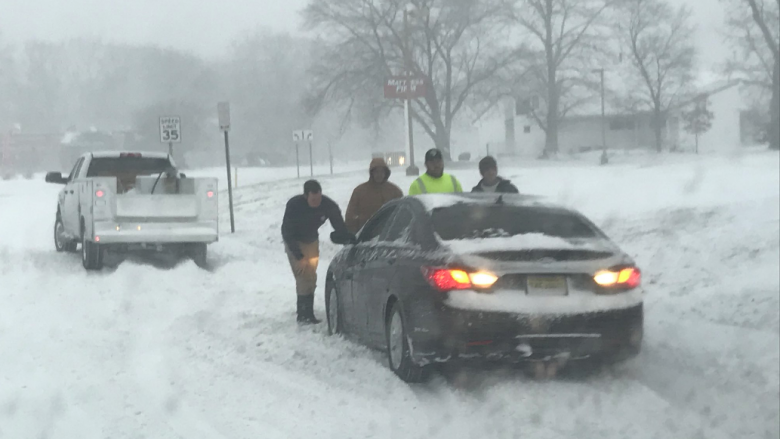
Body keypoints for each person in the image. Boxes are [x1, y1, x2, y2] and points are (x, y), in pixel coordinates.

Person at [281, 180, 354, 324]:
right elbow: (287, 231)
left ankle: (308, 308)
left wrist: (348, 238)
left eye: (319, 198)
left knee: (311, 276)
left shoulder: (328, 205)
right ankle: (304, 314)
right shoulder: (294, 205)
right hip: (294, 241)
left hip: (311, 241)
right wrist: (298, 255)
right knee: (303, 274)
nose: (317, 202)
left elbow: (339, 226)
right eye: (313, 199)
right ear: (305, 196)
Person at [344, 158, 403, 234]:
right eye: (376, 172)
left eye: (382, 171)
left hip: (389, 236)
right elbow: (350, 217)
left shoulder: (395, 191)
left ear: (386, 173)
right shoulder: (359, 191)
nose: (379, 174)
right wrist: (352, 235)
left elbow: (402, 214)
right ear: (371, 173)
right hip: (365, 236)